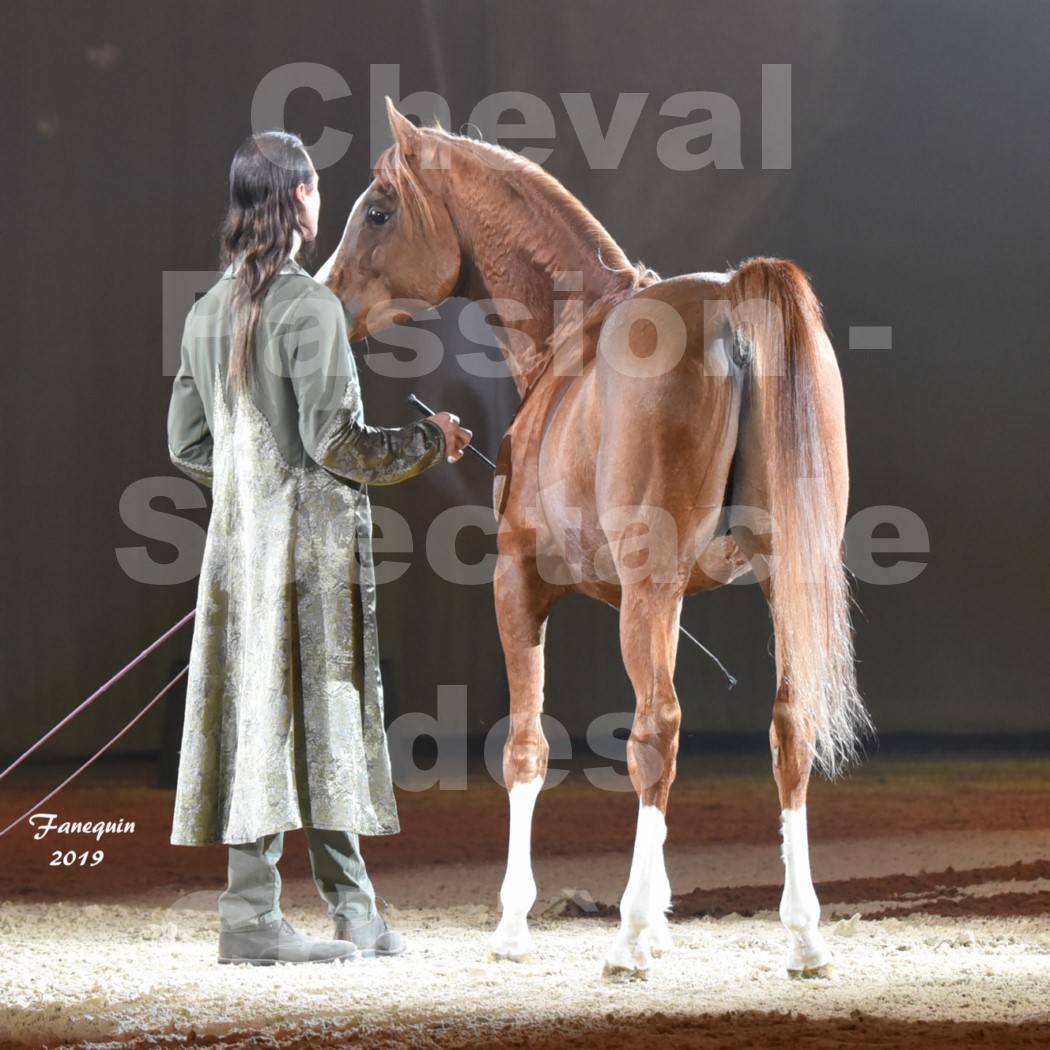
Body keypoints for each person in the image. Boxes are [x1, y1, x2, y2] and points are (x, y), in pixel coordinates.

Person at [167, 129, 471, 965]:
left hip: (241, 557)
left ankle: (347, 912)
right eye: (317, 189)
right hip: (312, 558)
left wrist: (248, 500)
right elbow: (340, 445)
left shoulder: (201, 313)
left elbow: (187, 447)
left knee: (263, 713)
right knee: (320, 717)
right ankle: (263, 917)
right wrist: (424, 439)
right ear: (301, 199)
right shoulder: (312, 311)